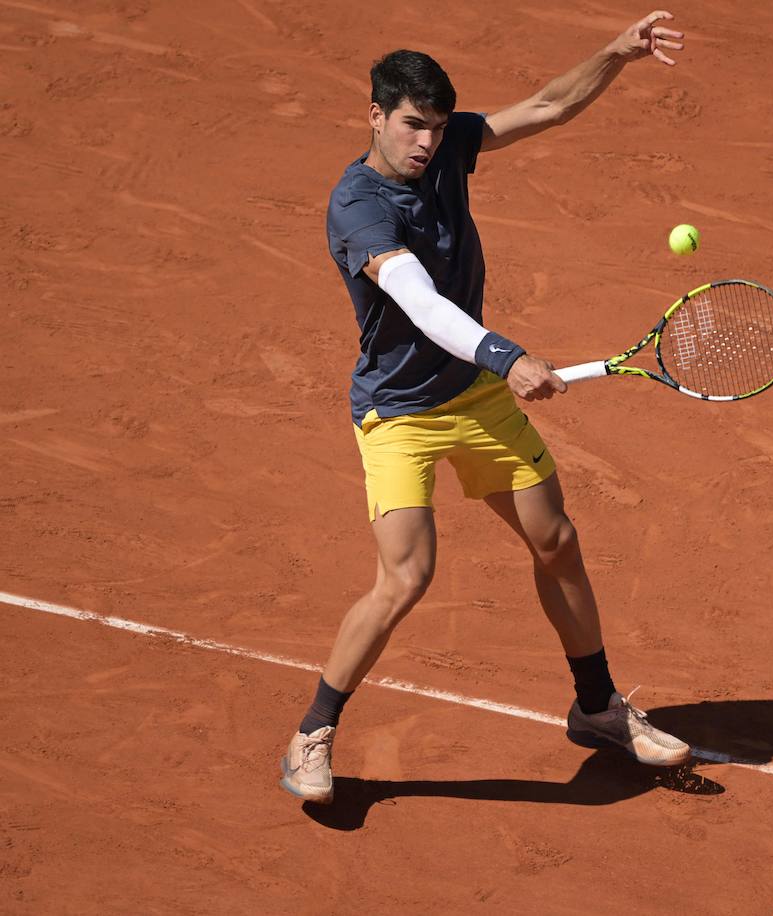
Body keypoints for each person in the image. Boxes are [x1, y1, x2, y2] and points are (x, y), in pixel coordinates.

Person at [280, 11, 691, 805]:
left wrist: (615, 53)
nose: (426, 143)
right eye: (410, 125)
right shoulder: (358, 206)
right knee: (406, 576)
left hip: (471, 397)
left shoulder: (446, 150)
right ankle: (312, 732)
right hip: (399, 412)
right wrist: (508, 355)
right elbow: (420, 301)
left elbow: (544, 107)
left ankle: (598, 707)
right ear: (375, 115)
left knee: (557, 539)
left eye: (436, 127)